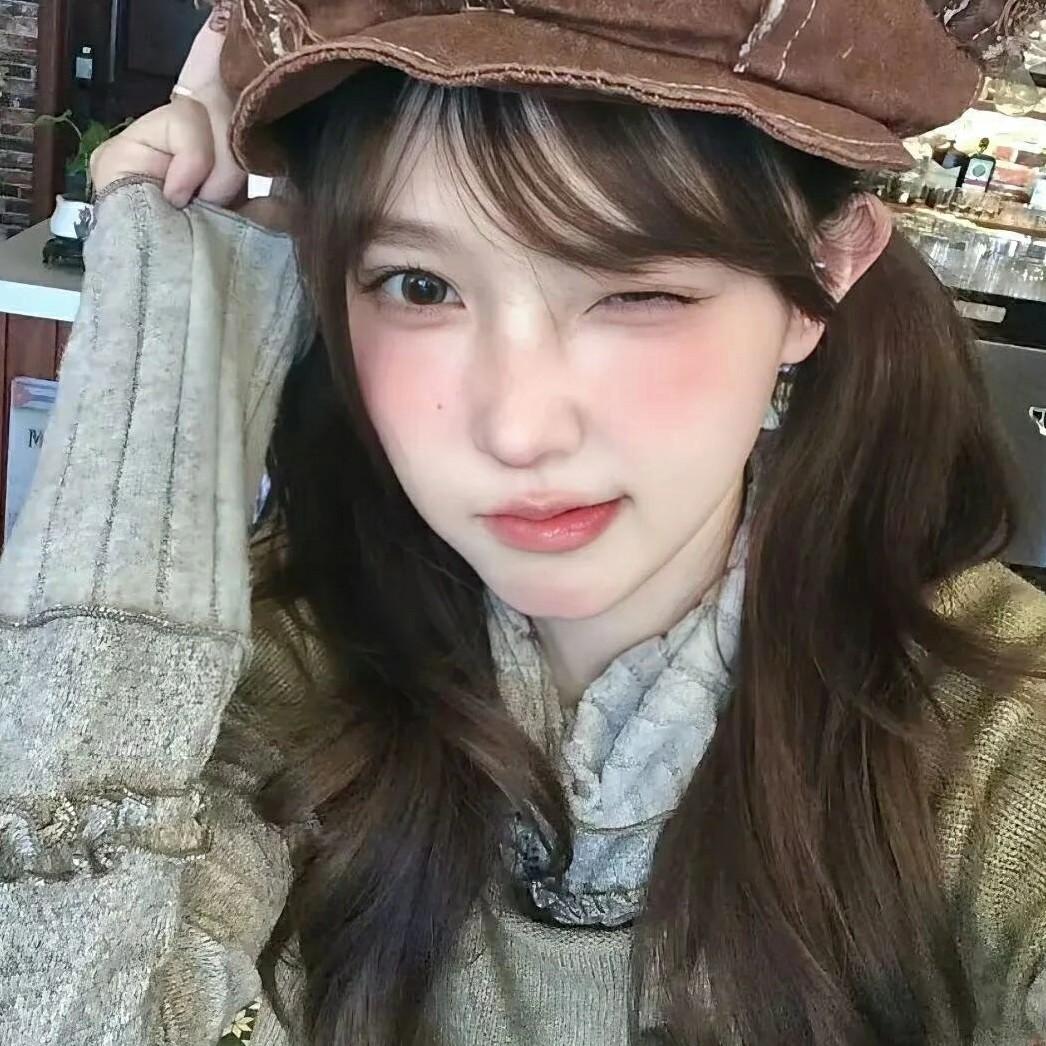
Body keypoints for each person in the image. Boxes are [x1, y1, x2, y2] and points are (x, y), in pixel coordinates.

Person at [2, 1, 1045, 1044]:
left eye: (637, 292)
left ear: (820, 277)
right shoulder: (268, 682)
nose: (516, 428)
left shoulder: (992, 729)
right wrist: (173, 301)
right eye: (419, 286)